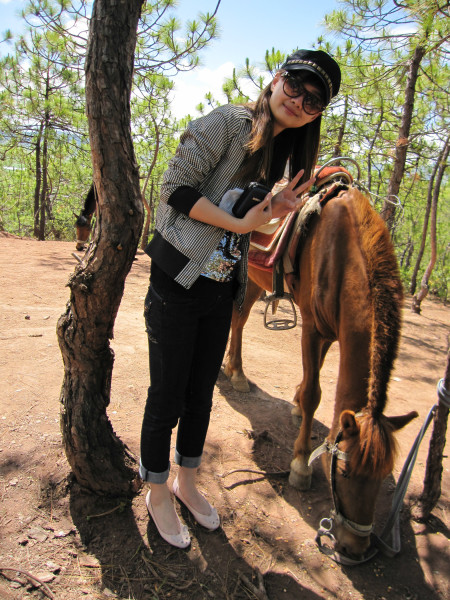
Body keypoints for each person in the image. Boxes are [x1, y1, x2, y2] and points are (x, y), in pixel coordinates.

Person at [139, 49, 341, 548]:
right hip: (178, 278)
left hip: (222, 285)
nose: (299, 101)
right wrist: (245, 222)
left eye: (314, 100)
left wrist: (269, 213)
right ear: (276, 79)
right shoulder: (230, 122)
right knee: (166, 395)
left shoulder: (283, 151)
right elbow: (175, 187)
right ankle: (157, 490)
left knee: (201, 394)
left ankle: (186, 480)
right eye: (295, 85)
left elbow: (244, 219)